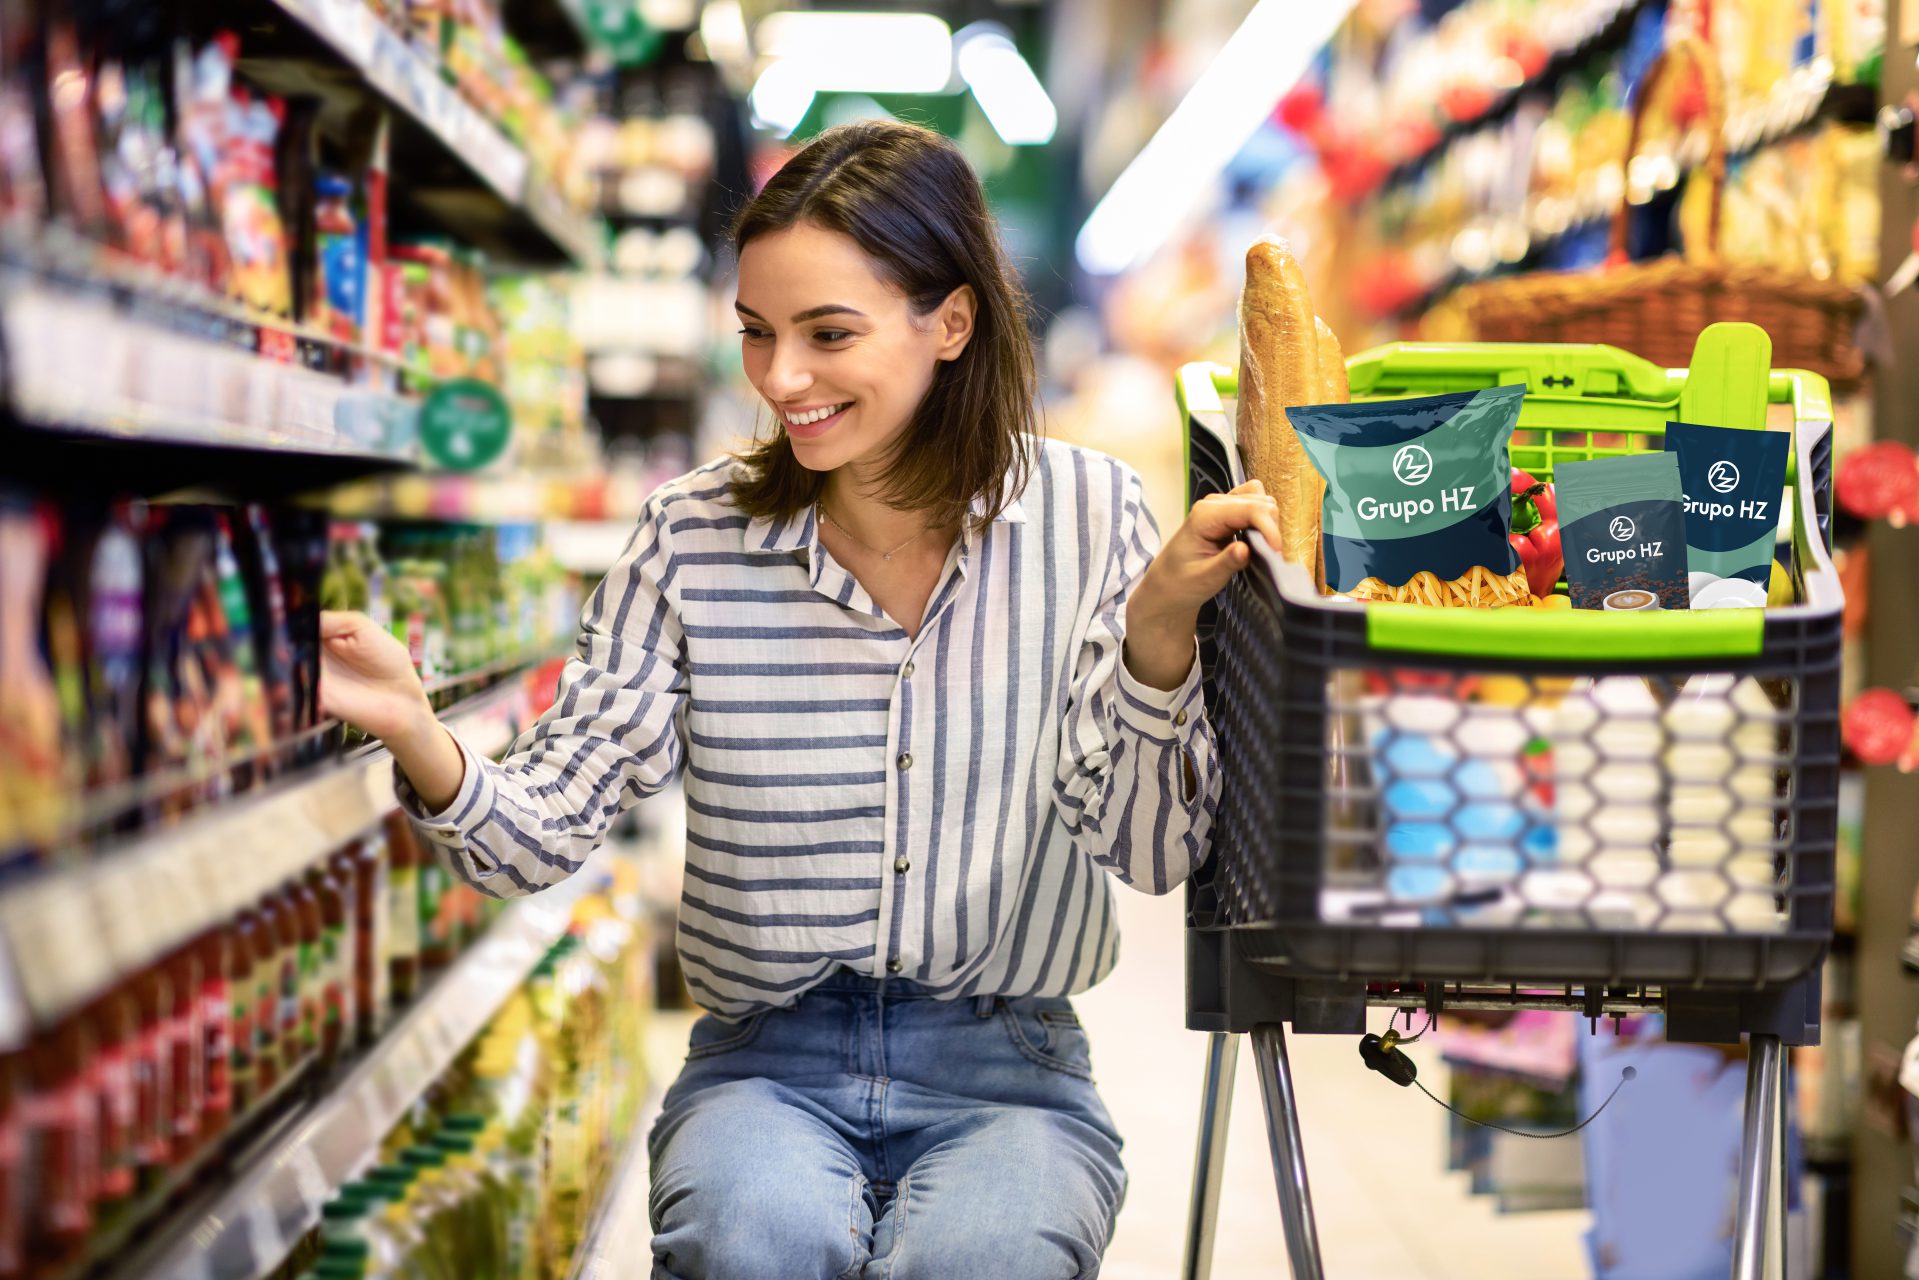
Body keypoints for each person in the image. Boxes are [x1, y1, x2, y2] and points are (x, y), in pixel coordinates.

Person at [319, 119, 1281, 1280]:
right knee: (751, 1240)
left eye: (830, 334)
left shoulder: (1092, 516)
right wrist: (422, 733)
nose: (781, 380)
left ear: (953, 321)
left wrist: (1156, 638)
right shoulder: (691, 533)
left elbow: (1148, 850)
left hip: (1014, 1067)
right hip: (762, 1063)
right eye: (759, 335)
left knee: (983, 1260)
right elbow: (547, 822)